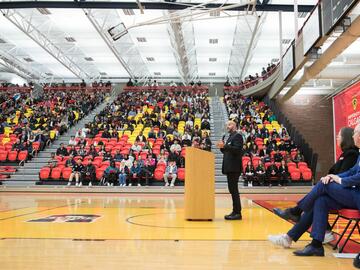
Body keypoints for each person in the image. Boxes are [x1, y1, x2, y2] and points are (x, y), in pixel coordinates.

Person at [269, 125, 360, 256]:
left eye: (355, 133)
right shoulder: (356, 155)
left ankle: (296, 212)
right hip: (349, 193)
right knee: (321, 200)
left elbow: (357, 177)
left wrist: (338, 180)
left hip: (355, 195)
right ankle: (316, 245)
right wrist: (333, 177)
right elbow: (351, 172)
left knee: (324, 186)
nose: (352, 136)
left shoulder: (352, 154)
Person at [217, 120, 244, 220]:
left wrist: (226, 146)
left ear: (234, 125)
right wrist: (222, 147)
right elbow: (227, 152)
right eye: (227, 125)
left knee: (234, 190)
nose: (227, 126)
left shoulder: (238, 136)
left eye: (229, 124)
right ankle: (235, 211)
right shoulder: (229, 137)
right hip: (229, 167)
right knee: (232, 190)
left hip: (234, 167)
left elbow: (237, 150)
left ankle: (237, 213)